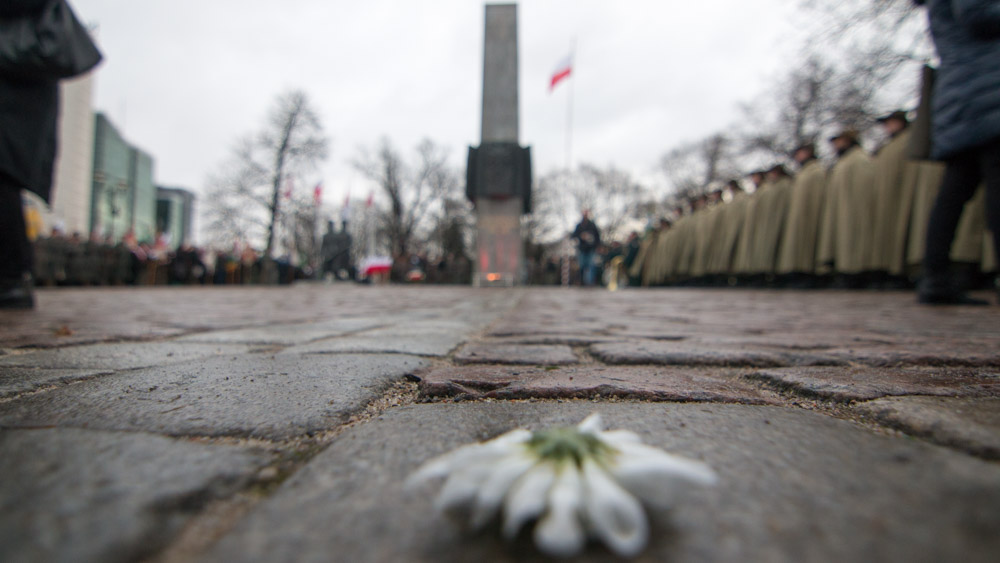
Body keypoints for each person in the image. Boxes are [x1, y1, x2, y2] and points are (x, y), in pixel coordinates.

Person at [916, 0, 1000, 305]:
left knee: (954, 191)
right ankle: (935, 278)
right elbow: (977, 14)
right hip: (987, 91)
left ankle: (936, 277)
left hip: (963, 94)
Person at [0, 1, 62, 308]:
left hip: (15, 79)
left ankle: (11, 278)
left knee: (3, 179)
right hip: (18, 74)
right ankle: (12, 277)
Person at [570, 209, 601, 286]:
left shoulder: (592, 225)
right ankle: (581, 282)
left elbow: (597, 237)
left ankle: (590, 283)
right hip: (582, 249)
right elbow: (573, 236)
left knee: (591, 266)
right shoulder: (579, 226)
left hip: (591, 249)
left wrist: (597, 246)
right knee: (581, 266)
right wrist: (581, 236)